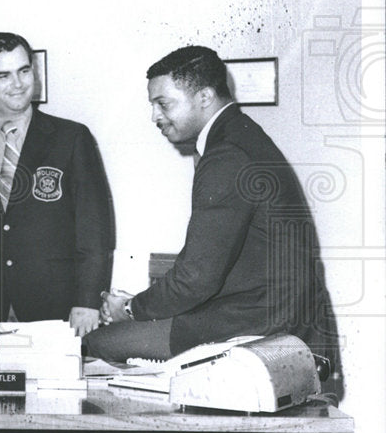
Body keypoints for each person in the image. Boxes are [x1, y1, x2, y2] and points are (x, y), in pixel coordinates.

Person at [90, 45, 337, 364]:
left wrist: (129, 309)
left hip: (259, 328)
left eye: (163, 104)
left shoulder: (227, 155)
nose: (155, 117)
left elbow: (195, 279)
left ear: (204, 98)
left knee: (94, 344)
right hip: (277, 317)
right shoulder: (241, 136)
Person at [0, 32, 114, 336]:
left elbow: (95, 228)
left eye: (24, 71)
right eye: (3, 75)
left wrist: (88, 300)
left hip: (56, 307)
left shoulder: (71, 138)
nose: (18, 83)